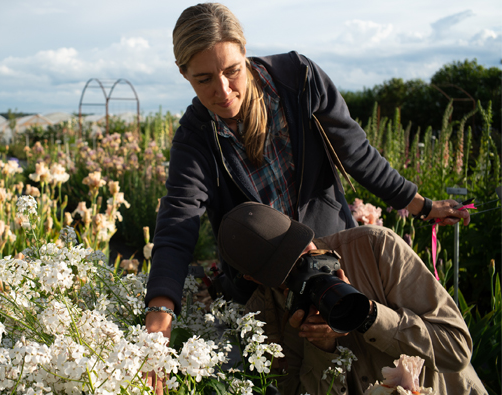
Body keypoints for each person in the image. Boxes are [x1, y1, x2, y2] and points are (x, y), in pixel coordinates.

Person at [144, 2, 471, 391]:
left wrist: (423, 206)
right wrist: (159, 317)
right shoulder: (195, 135)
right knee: (315, 378)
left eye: (232, 71)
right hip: (270, 288)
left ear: (244, 54)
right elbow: (178, 222)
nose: (223, 90)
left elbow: (358, 155)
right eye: (203, 80)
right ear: (184, 75)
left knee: (371, 360)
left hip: (335, 255)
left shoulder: (298, 80)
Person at [216, 202, 486, 395]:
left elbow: (457, 349)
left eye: (305, 251)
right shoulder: (265, 316)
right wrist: (321, 347)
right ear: (255, 279)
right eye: (289, 272)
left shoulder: (375, 247)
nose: (307, 269)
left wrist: (370, 316)